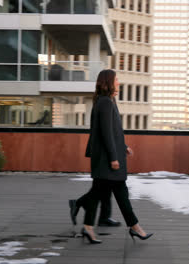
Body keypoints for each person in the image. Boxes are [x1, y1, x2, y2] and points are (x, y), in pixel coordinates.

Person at [68, 69, 153, 244]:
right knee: (116, 192)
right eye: (116, 80)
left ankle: (89, 224)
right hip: (107, 158)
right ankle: (134, 227)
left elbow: (113, 132)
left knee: (101, 192)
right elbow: (106, 133)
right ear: (108, 82)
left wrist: (124, 146)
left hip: (107, 155)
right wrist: (114, 158)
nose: (119, 83)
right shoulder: (105, 102)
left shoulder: (107, 101)